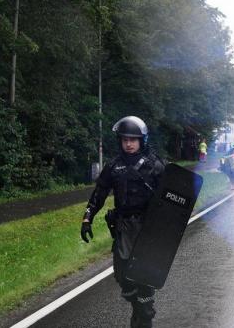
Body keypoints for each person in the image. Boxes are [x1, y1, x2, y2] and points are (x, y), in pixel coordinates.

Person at [80, 116, 165, 328]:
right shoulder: (113, 166)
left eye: (133, 139)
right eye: (125, 139)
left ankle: (144, 313)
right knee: (123, 277)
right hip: (123, 227)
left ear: (142, 140)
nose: (129, 143)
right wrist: (87, 217)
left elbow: (170, 199)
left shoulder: (155, 166)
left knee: (144, 281)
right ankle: (139, 308)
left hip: (148, 229)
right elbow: (99, 193)